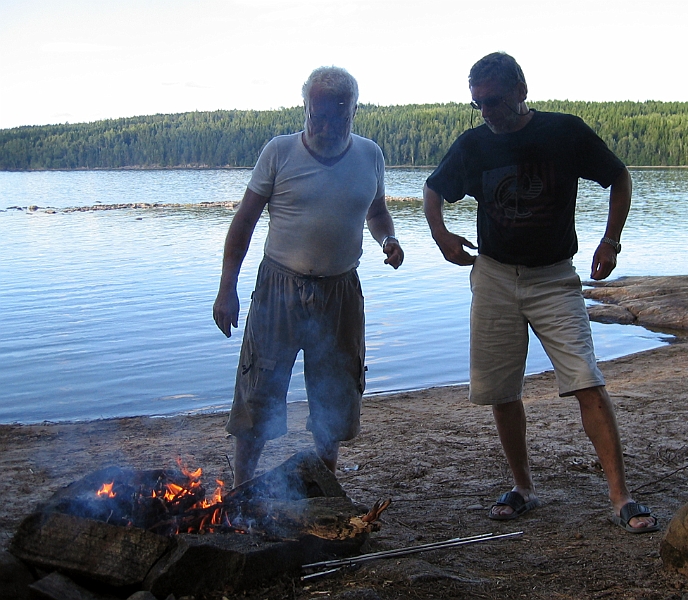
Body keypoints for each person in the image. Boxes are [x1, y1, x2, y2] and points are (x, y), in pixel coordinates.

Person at [423, 52, 657, 532]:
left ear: (521, 90)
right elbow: (432, 190)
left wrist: (610, 240)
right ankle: (524, 486)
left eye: (494, 101)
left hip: (553, 278)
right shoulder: (473, 144)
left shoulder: (563, 132)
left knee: (586, 379)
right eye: (478, 104)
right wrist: (440, 234)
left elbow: (619, 177)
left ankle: (621, 497)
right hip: (492, 276)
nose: (487, 112)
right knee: (501, 391)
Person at [213, 66, 403, 487]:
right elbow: (242, 223)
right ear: (306, 109)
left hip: (341, 291)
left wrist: (388, 239)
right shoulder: (279, 152)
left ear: (354, 110)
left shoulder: (370, 155)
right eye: (317, 115)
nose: (326, 125)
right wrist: (227, 289)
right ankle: (241, 487)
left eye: (338, 116)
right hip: (278, 288)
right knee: (257, 391)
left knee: (335, 394)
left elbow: (377, 212)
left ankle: (324, 486)